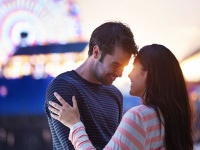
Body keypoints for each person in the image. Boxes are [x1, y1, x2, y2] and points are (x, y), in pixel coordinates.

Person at [48, 44, 194, 150]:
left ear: (146, 73)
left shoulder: (139, 117)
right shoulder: (172, 117)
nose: (127, 75)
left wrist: (75, 125)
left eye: (134, 67)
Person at [45, 21, 138, 150]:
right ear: (96, 51)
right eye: (115, 65)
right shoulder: (63, 87)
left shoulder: (115, 95)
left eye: (123, 67)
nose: (120, 74)